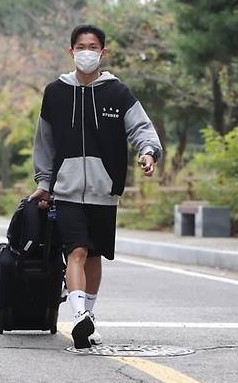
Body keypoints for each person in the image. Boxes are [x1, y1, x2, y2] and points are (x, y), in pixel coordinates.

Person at [29, 24, 162, 349]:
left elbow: (141, 128)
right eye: (80, 46)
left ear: (102, 53)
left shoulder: (118, 92)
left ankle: (88, 318)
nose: (86, 51)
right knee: (75, 250)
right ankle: (77, 317)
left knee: (94, 256)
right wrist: (44, 184)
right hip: (67, 189)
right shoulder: (55, 93)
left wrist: (148, 152)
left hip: (105, 191)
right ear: (71, 51)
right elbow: (44, 143)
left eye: (93, 46)